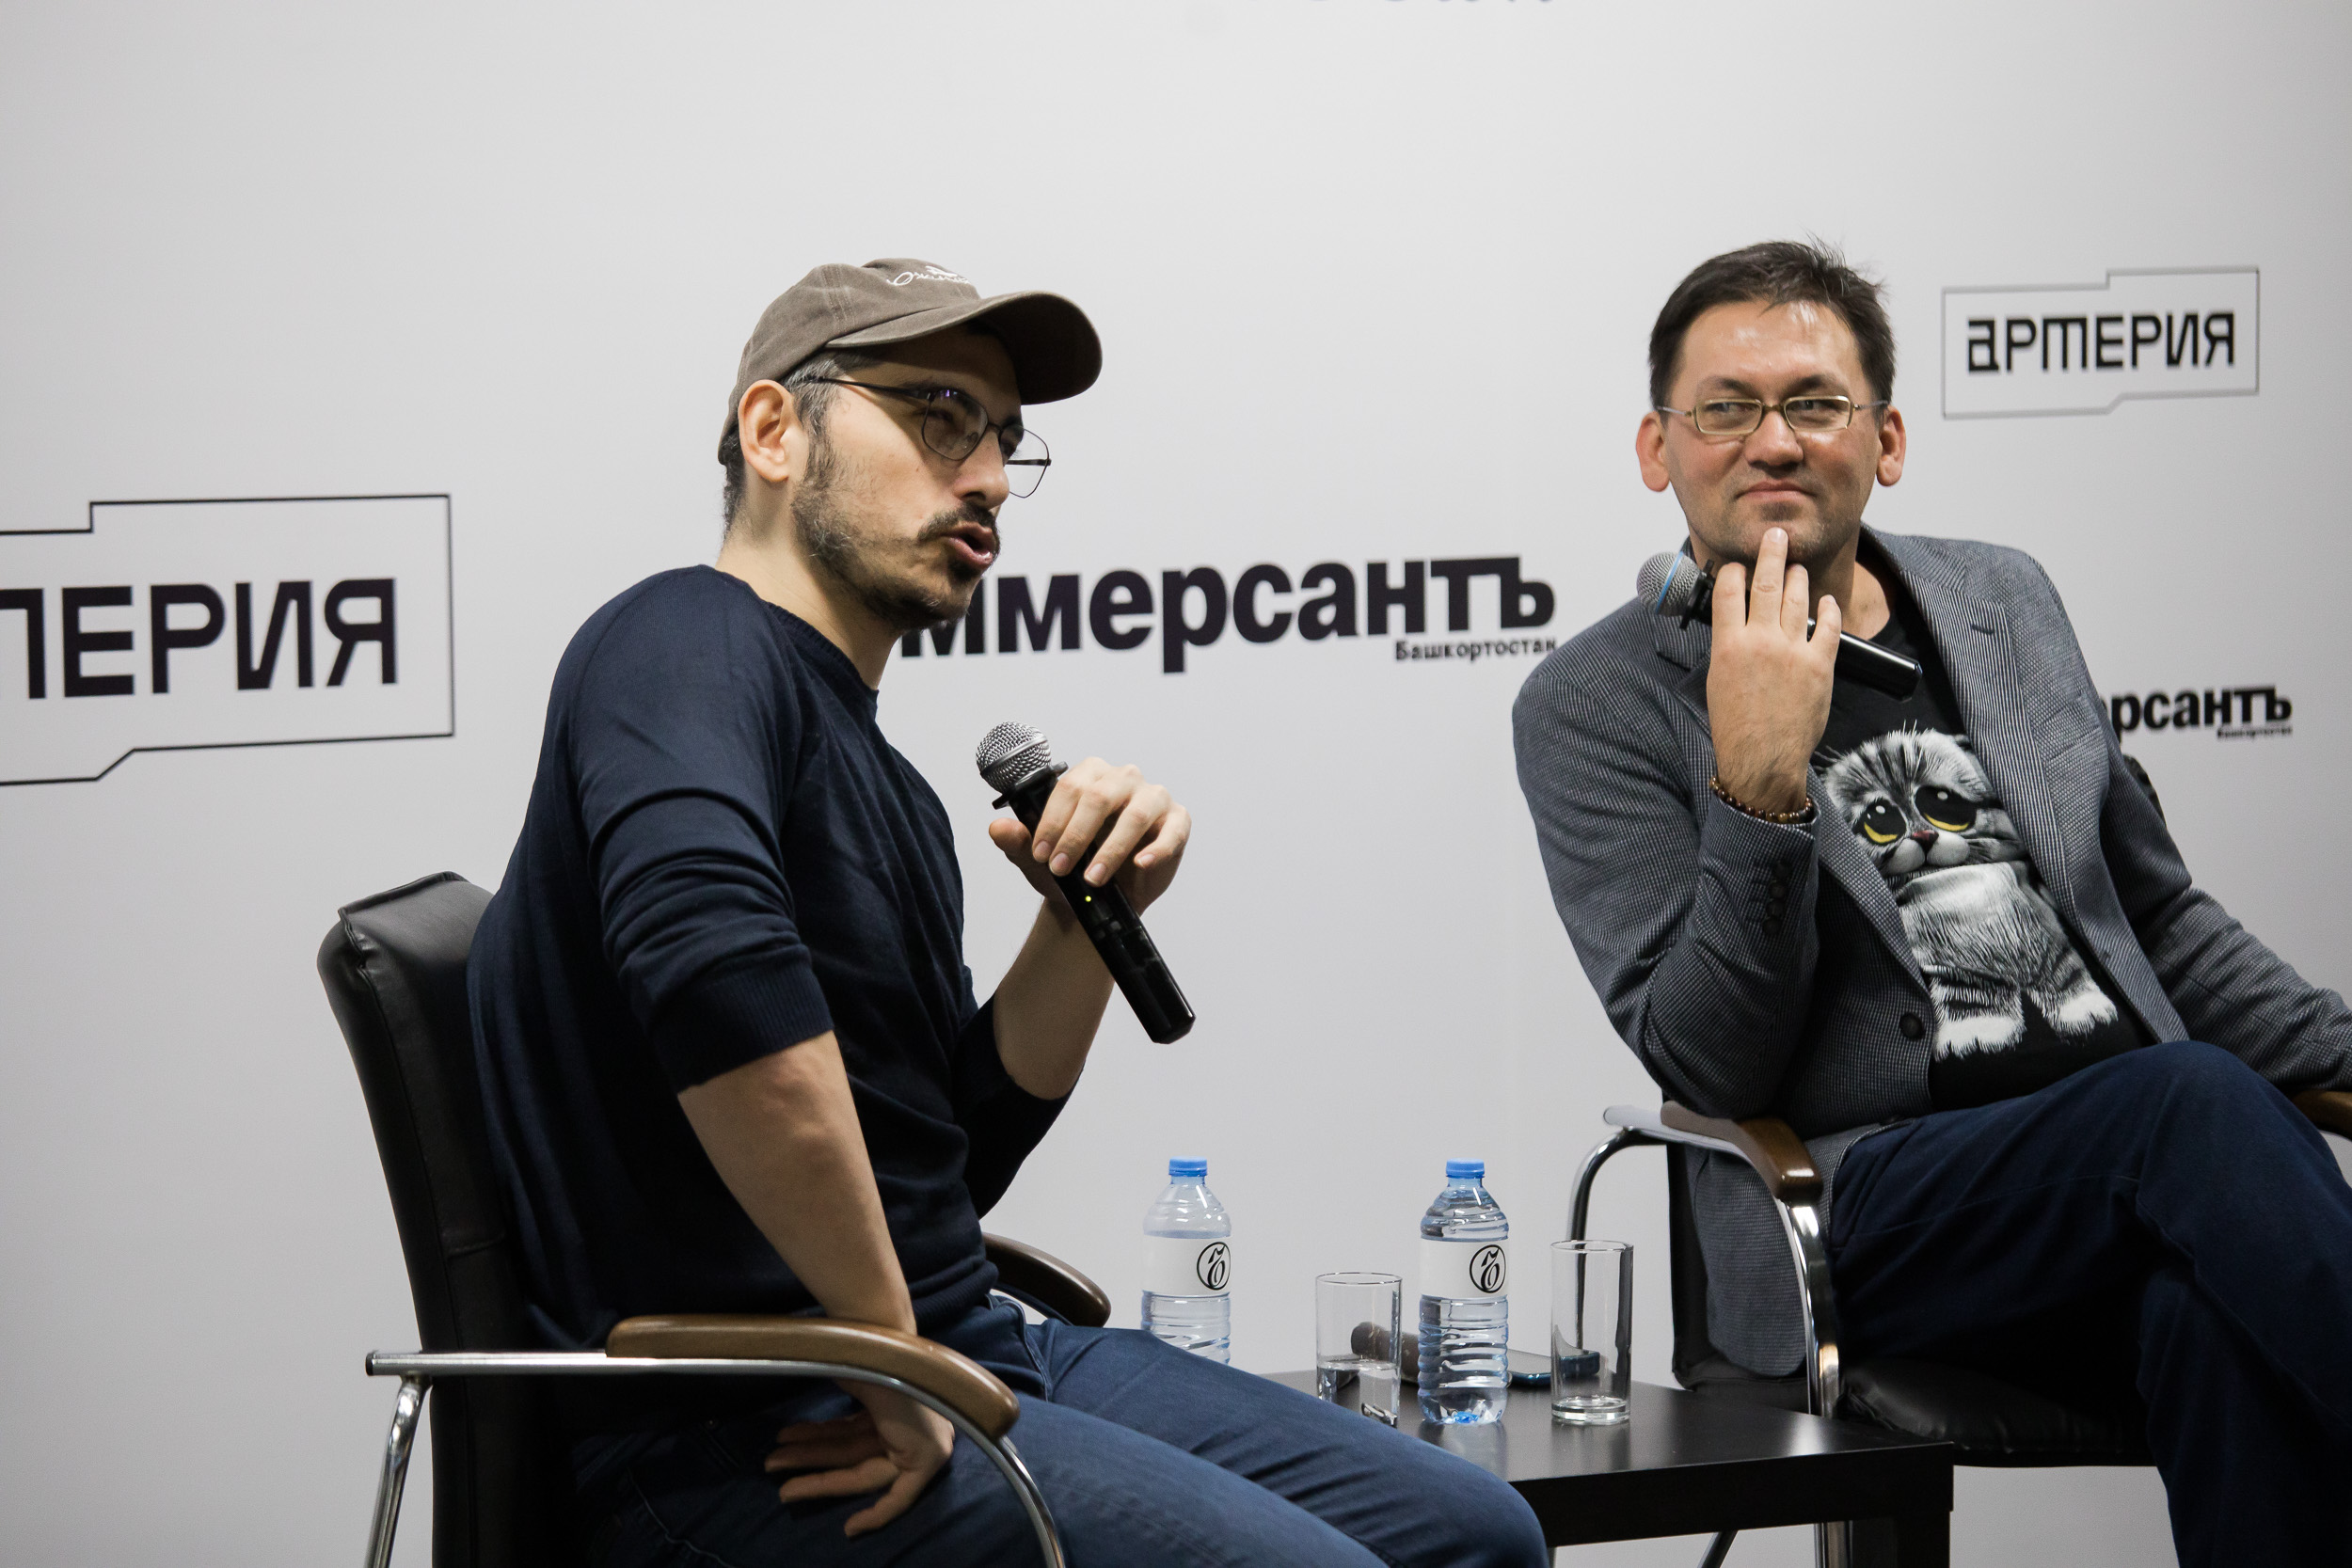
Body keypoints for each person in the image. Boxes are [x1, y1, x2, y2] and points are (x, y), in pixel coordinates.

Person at [469, 258, 1546, 1568]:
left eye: (1003, 440)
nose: (984, 476)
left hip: (962, 1350)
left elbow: (946, 1166)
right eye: (938, 419)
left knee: (1480, 1532)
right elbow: (712, 979)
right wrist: (894, 1358)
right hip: (750, 1427)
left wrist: (1082, 921)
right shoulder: (683, 640)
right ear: (773, 431)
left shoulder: (893, 789)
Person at [1512, 240, 2352, 1564]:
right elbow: (1712, 1061)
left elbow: (2153, 918)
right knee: (2187, 1103)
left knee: (2213, 1313)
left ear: (1886, 440)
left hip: (2129, 1179)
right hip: (1868, 1205)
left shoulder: (2003, 597)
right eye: (1726, 409)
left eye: (1816, 403)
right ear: (1657, 449)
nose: (1773, 440)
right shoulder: (1596, 702)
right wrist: (1760, 786)